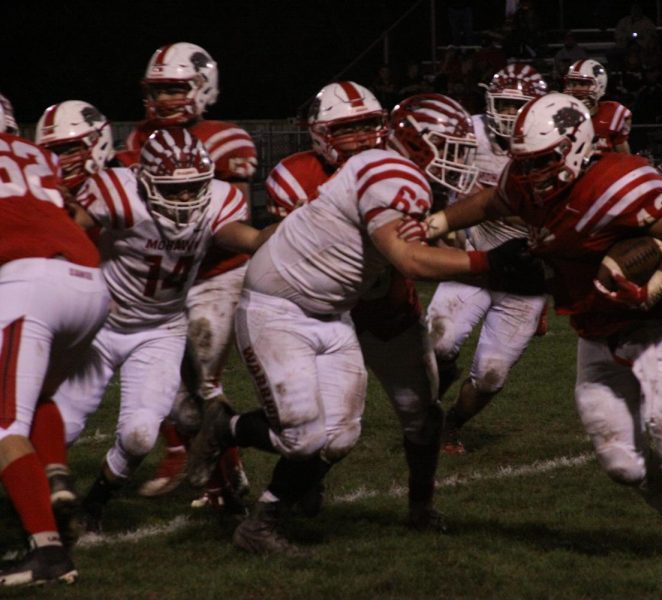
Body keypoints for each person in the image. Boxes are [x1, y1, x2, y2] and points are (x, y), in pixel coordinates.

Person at [185, 93, 544, 555]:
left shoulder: (388, 170)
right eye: (450, 146)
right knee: (304, 434)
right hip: (284, 307)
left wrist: (440, 233)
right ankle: (227, 432)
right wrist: (486, 263)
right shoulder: (384, 172)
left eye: (366, 124)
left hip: (341, 310)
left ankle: (266, 515)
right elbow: (408, 259)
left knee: (343, 435)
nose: (462, 159)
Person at [424, 92, 662, 563]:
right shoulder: (525, 182)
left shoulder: (618, 181)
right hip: (594, 328)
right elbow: (491, 202)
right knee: (621, 463)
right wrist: (438, 219)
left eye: (541, 161)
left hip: (656, 325)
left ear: (576, 147)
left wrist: (653, 286)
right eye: (523, 163)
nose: (529, 173)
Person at [50, 129, 274, 534]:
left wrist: (284, 230)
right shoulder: (119, 194)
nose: (187, 199)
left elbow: (249, 238)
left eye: (193, 188)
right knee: (60, 426)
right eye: (175, 189)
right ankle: (27, 502)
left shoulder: (219, 201)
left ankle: (94, 504)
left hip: (160, 330)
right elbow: (66, 232)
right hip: (100, 325)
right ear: (145, 180)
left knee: (138, 436)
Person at [265, 80, 447, 530]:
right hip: (322, 317)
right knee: (320, 427)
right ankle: (292, 487)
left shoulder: (399, 167)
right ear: (322, 134)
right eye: (349, 130)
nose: (364, 139)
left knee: (421, 415)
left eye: (370, 126)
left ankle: (421, 506)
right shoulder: (295, 177)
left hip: (388, 313)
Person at [126, 43, 258, 511]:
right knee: (166, 382)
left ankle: (227, 479)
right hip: (166, 276)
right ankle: (223, 479)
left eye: (174, 88)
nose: (163, 100)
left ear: (203, 88)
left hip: (216, 275)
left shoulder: (224, 139)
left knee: (200, 381)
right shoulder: (140, 140)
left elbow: (232, 217)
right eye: (157, 90)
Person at [0, 96, 110, 587]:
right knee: (39, 393)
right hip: (88, 280)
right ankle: (57, 476)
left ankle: (47, 553)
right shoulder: (35, 153)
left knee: (3, 427)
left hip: (30, 284)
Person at [428, 64, 549, 454]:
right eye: (504, 104)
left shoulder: (551, 142)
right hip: (473, 257)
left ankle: (451, 425)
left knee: (492, 376)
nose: (510, 115)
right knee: (437, 342)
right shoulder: (469, 132)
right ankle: (431, 402)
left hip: (526, 272)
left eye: (519, 106)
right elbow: (437, 172)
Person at [563, 59, 632, 154]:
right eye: (573, 84)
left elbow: (625, 159)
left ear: (599, 85)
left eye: (582, 84)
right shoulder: (561, 117)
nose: (576, 88)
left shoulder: (613, 114)